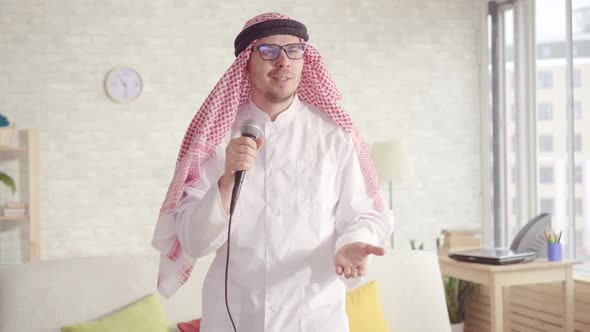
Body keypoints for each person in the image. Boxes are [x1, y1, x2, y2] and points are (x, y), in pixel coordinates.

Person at [152, 12, 393, 332]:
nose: (284, 61)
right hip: (236, 316)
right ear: (246, 61)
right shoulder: (217, 138)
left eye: (294, 51)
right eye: (268, 51)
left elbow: (367, 213)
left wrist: (353, 242)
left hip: (314, 315)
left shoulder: (334, 135)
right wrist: (225, 181)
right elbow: (193, 243)